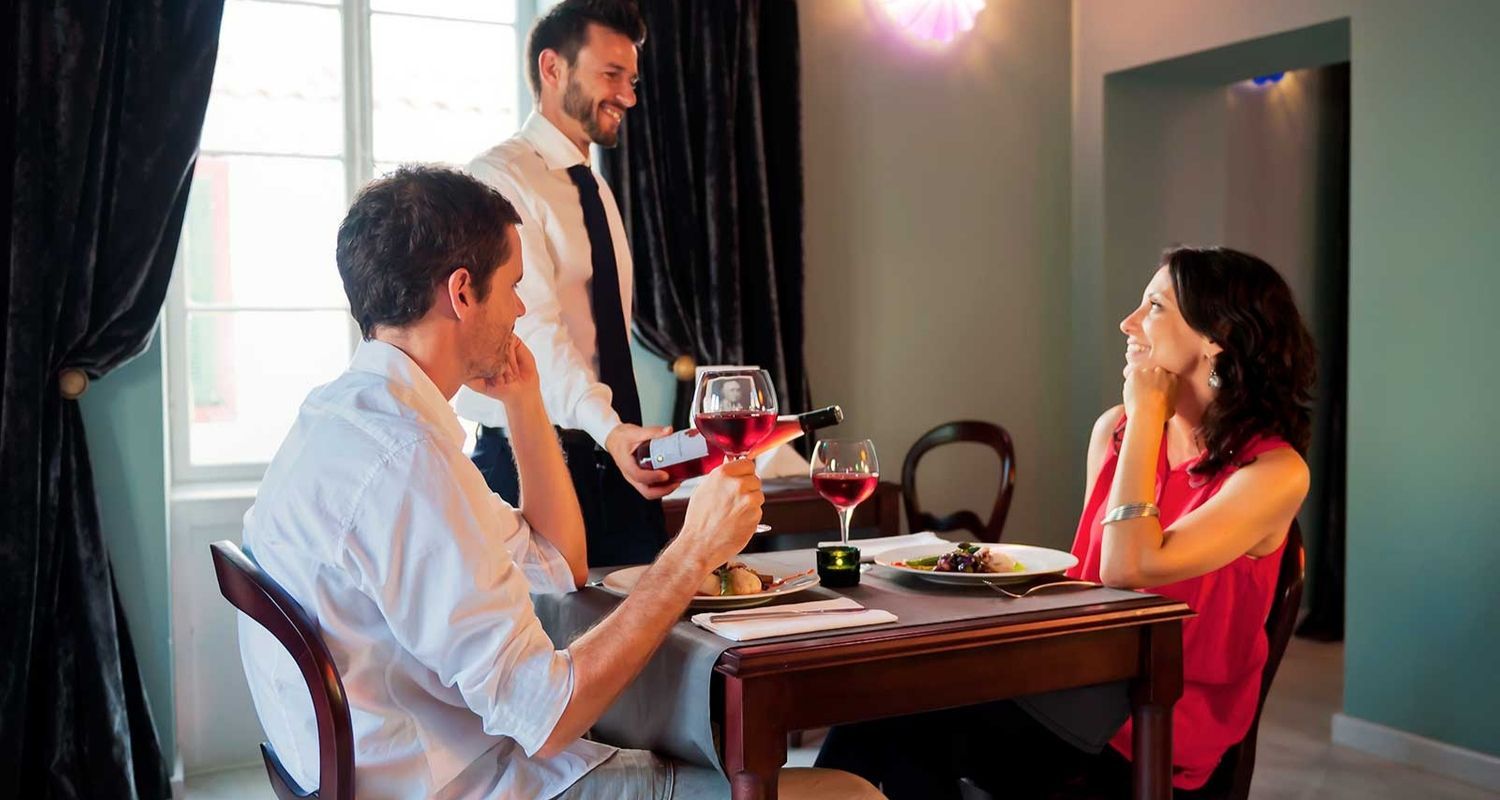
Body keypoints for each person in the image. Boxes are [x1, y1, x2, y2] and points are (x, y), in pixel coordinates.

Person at [236, 166, 880, 799]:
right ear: (462, 293)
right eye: (514, 286)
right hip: (480, 784)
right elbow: (548, 716)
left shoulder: (343, 420)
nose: (520, 308)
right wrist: (692, 553)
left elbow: (557, 562)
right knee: (847, 791)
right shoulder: (408, 464)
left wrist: (524, 402)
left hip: (414, 767)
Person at [814, 246, 1316, 798]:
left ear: (1217, 334)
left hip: (1157, 726)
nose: (1128, 324)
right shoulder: (1115, 432)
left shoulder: (1272, 472)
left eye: (1153, 307)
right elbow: (1091, 587)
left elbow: (1129, 567)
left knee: (914, 720)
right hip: (1076, 684)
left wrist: (1149, 413)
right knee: (878, 696)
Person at [455, 0, 672, 567]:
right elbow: (534, 335)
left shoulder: (594, 186)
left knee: (650, 639)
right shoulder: (499, 180)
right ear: (553, 69)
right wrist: (614, 430)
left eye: (631, 80)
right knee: (547, 651)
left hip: (611, 460)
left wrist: (617, 439)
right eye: (611, 75)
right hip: (535, 464)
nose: (628, 95)